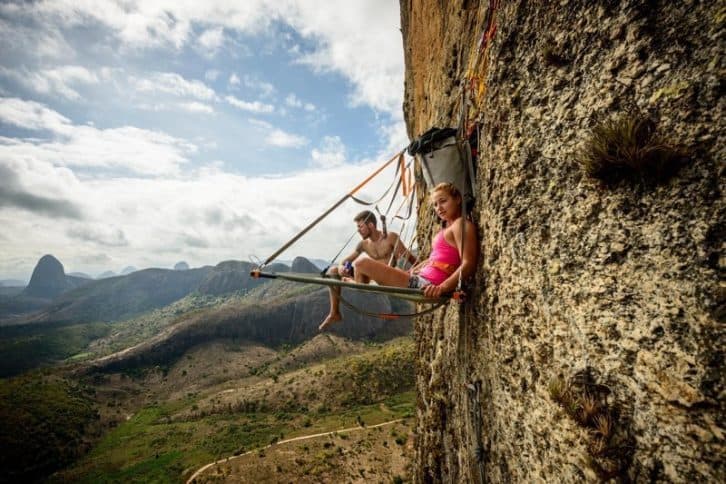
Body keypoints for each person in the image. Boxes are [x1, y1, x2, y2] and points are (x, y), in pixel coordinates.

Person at [351, 182, 477, 300]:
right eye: (435, 204)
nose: (439, 208)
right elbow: (433, 260)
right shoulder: (445, 230)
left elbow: (468, 263)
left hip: (427, 284)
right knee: (360, 270)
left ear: (458, 199)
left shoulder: (461, 224)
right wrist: (413, 270)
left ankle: (357, 287)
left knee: (361, 263)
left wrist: (442, 287)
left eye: (443, 201)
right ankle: (356, 284)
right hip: (419, 278)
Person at [318, 210, 417, 330]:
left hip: (387, 278)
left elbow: (410, 258)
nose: (358, 230)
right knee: (333, 271)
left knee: (361, 263)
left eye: (360, 226)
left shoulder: (390, 237)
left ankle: (354, 283)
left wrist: (421, 271)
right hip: (369, 280)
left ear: (371, 225)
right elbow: (344, 261)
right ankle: (334, 313)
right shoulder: (363, 245)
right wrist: (341, 268)